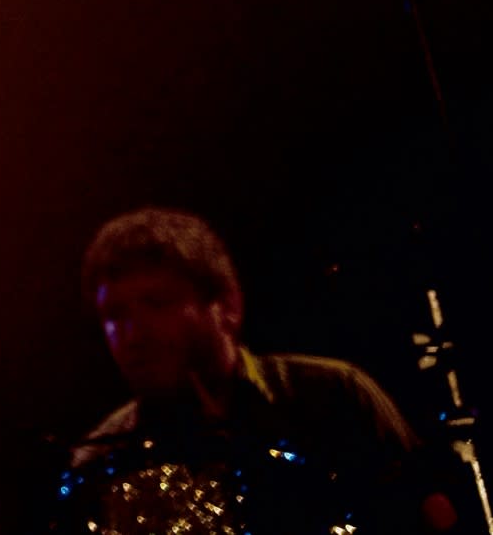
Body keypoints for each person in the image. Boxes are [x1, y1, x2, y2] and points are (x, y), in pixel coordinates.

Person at [69, 207, 450, 535]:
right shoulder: (101, 459)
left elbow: (430, 517)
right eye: (114, 315)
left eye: (157, 303)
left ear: (228, 305)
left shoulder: (333, 396)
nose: (133, 333)